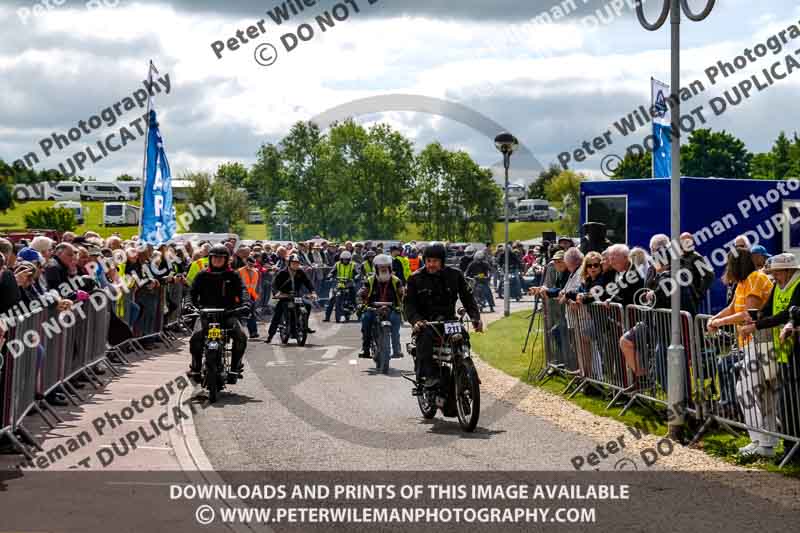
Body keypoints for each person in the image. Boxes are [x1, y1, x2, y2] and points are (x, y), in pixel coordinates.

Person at [708, 248, 774, 457]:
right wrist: (715, 318)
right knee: (757, 392)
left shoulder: (755, 278)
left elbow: (747, 313)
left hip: (761, 341)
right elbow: (732, 308)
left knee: (746, 390)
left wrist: (719, 322)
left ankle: (762, 441)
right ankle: (763, 441)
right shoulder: (744, 282)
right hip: (751, 343)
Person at [740, 253, 800, 464]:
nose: (773, 277)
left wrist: (756, 326)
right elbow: (769, 308)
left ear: (787, 270)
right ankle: (790, 450)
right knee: (787, 404)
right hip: (782, 350)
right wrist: (756, 316)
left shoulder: (798, 285)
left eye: (776, 273)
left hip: (793, 350)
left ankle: (792, 451)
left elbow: (786, 314)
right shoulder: (780, 284)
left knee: (789, 402)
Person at [404, 242, 482, 388]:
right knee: (424, 339)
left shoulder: (455, 275)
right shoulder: (415, 278)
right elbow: (409, 306)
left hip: (449, 321)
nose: (431, 265)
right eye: (428, 261)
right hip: (427, 323)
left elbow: (467, 298)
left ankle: (465, 372)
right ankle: (428, 376)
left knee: (463, 338)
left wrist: (475, 318)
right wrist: (417, 321)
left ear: (442, 261)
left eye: (435, 261)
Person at [188, 244, 248, 382]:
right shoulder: (202, 274)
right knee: (196, 337)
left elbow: (243, 291)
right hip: (206, 313)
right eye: (215, 257)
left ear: (226, 259)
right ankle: (196, 368)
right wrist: (188, 304)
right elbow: (191, 292)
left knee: (241, 336)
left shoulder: (233, 275)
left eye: (221, 258)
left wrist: (245, 303)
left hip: (228, 313)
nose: (217, 260)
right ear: (210, 258)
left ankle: (234, 368)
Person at [357, 254, 404, 366]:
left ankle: (397, 349)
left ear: (390, 268)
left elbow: (403, 295)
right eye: (380, 267)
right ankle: (365, 349)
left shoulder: (396, 281)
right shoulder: (370, 280)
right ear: (376, 268)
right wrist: (360, 301)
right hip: (373, 309)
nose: (383, 269)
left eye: (386, 267)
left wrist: (403, 303)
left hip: (391, 309)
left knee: (396, 320)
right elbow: (362, 292)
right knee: (366, 319)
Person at [266, 254, 317, 343]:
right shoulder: (282, 273)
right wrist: (277, 294)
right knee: (277, 315)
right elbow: (274, 285)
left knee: (308, 305)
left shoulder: (300, 272)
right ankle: (270, 335)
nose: (296, 265)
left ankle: (304, 326)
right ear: (289, 263)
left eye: (297, 263)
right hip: (284, 296)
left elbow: (308, 282)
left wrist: (313, 292)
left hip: (296, 296)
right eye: (293, 263)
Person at [324, 250, 356, 322]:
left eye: (346, 259)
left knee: (354, 297)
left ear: (349, 259)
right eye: (343, 259)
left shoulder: (353, 265)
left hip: (349, 284)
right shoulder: (337, 264)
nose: (345, 261)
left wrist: (355, 277)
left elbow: (357, 273)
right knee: (331, 299)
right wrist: (329, 276)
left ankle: (357, 311)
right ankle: (327, 317)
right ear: (341, 259)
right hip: (339, 284)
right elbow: (332, 272)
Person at [238, 256, 261, 339]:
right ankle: (238, 333)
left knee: (251, 314)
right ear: (246, 262)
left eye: (252, 264)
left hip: (251, 296)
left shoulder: (255, 272)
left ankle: (253, 332)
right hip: (241, 296)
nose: (251, 266)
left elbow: (257, 285)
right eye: (249, 264)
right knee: (239, 315)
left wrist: (257, 296)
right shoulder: (240, 271)